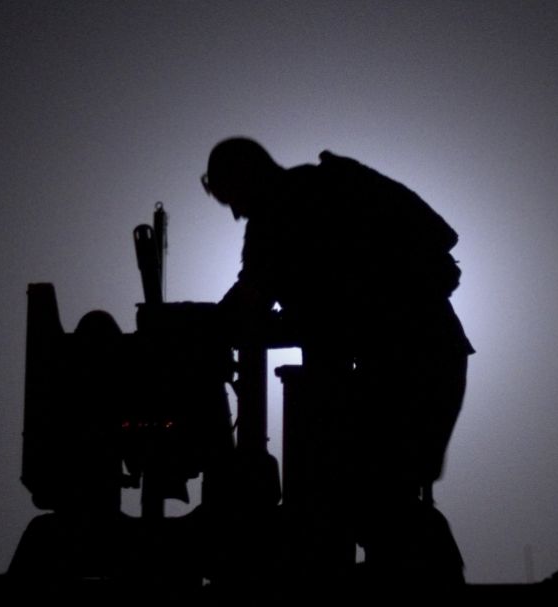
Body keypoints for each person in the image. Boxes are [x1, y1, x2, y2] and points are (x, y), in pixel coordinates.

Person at [202, 137, 472, 583]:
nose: (233, 211)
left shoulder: (280, 212)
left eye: (229, 195)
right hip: (427, 357)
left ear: (245, 176)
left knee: (374, 494)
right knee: (380, 493)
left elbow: (251, 300)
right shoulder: (325, 192)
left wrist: (199, 329)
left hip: (409, 364)